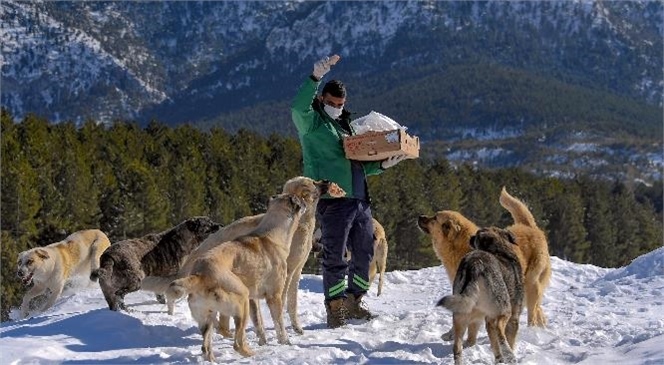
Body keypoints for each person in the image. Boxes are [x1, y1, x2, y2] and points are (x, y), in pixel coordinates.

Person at [291, 55, 407, 328]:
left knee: (365, 252)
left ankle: (354, 301)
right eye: (331, 103)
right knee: (335, 255)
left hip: (359, 199)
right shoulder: (313, 125)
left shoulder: (347, 128)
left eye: (340, 104)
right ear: (322, 100)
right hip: (334, 200)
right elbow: (297, 108)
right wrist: (314, 78)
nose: (336, 107)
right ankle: (335, 309)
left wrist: (382, 166)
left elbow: (357, 167)